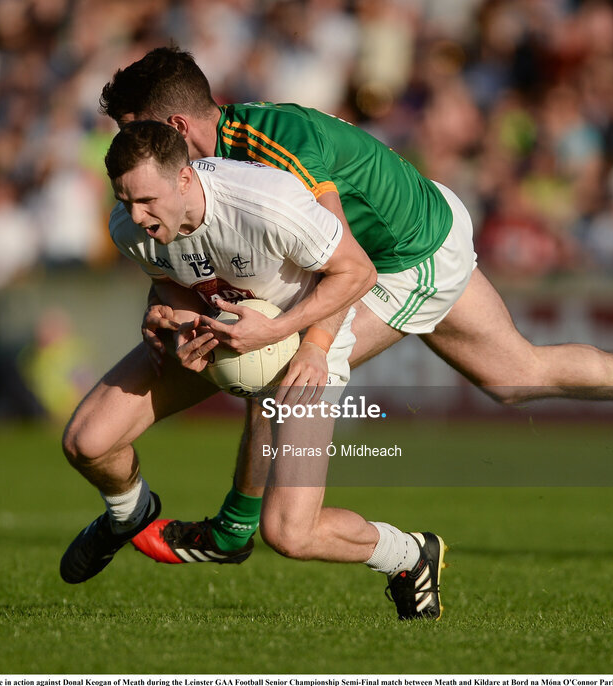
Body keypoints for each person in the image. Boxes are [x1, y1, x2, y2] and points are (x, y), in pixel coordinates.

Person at [100, 47, 613, 567]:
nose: (131, 155)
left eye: (137, 135)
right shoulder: (216, 161)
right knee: (521, 376)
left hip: (406, 256)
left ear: (177, 127)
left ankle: (234, 528)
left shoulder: (274, 151)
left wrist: (308, 342)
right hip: (421, 221)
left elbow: (346, 263)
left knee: (282, 366)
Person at [59, 120, 445, 621]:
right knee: (86, 442)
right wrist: (174, 317)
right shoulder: (127, 226)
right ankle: (128, 512)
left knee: (291, 533)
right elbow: (169, 279)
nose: (138, 215)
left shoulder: (265, 202)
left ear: (184, 178)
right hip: (216, 334)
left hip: (306, 343)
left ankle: (411, 556)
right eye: (126, 200)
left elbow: (356, 272)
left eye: (148, 200)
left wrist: (314, 345)